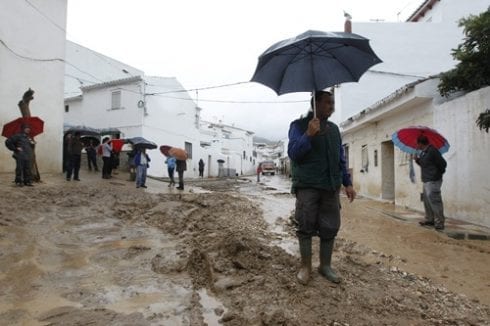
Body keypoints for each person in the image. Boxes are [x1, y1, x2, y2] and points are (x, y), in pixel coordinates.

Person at [288, 90, 356, 285]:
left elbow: (340, 159)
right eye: (327, 102)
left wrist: (347, 183)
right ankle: (305, 266)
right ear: (315, 104)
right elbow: (293, 153)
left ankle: (325, 266)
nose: (332, 106)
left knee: (330, 226)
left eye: (332, 102)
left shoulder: (334, 130)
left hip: (330, 186)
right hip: (307, 185)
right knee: (305, 225)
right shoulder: (298, 125)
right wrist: (308, 135)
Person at [415, 135, 447, 231]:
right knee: (427, 202)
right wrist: (417, 160)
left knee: (435, 201)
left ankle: (439, 222)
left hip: (433, 180)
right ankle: (430, 219)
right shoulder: (423, 153)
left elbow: (443, 164)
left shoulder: (432, 151)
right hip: (426, 180)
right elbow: (424, 165)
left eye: (418, 144)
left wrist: (437, 175)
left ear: (421, 143)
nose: (417, 146)